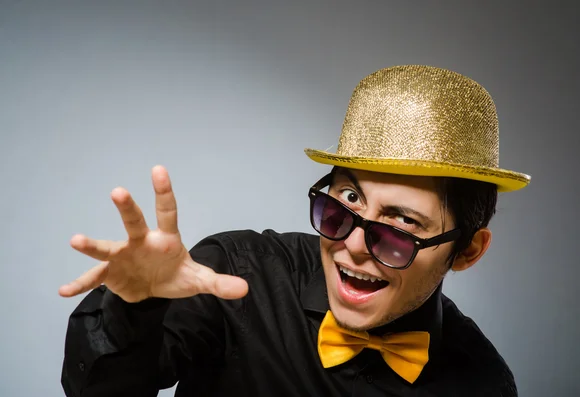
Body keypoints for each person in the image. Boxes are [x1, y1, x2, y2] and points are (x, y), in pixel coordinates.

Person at [59, 65, 530, 396]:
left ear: (468, 250)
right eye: (345, 203)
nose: (351, 245)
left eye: (401, 225)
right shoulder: (237, 273)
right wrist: (134, 308)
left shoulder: (484, 381)